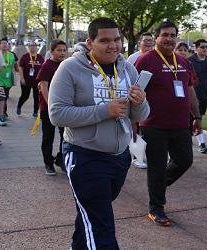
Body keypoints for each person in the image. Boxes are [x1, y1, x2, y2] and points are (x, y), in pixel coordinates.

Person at [49, 17, 149, 249]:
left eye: (116, 40)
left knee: (90, 216)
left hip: (119, 158)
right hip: (84, 156)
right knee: (100, 224)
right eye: (104, 40)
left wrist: (140, 102)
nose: (113, 45)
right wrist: (105, 110)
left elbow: (139, 115)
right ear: (90, 43)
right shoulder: (70, 68)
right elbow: (57, 114)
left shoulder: (127, 68)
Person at [135, 21, 201, 227]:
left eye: (173, 35)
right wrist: (134, 122)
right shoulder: (145, 61)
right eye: (165, 35)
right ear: (156, 37)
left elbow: (190, 90)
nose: (169, 39)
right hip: (153, 124)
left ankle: (157, 186)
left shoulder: (183, 62)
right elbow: (135, 92)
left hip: (181, 124)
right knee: (156, 166)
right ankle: (156, 208)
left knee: (185, 160)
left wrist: (197, 117)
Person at [36, 40, 68, 175]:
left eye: (64, 50)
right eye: (59, 50)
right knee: (48, 137)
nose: (62, 53)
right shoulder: (47, 66)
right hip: (48, 108)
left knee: (65, 136)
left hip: (65, 108)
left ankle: (61, 159)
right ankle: (48, 163)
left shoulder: (66, 65)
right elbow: (43, 86)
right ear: (52, 51)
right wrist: (51, 105)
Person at [18, 42, 44, 117]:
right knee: (25, 96)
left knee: (36, 97)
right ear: (28, 47)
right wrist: (22, 78)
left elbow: (43, 68)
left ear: (37, 47)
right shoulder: (25, 57)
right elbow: (20, 67)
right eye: (31, 46)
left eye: (34, 46)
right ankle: (19, 106)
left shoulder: (40, 57)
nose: (32, 47)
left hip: (37, 81)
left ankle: (35, 112)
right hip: (26, 80)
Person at [0, 38, 19, 126]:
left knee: (5, 97)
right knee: (1, 97)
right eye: (2, 43)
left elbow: (16, 65)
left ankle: (3, 112)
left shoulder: (12, 55)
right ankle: (1, 114)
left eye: (6, 43)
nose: (5, 45)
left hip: (8, 80)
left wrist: (19, 71)